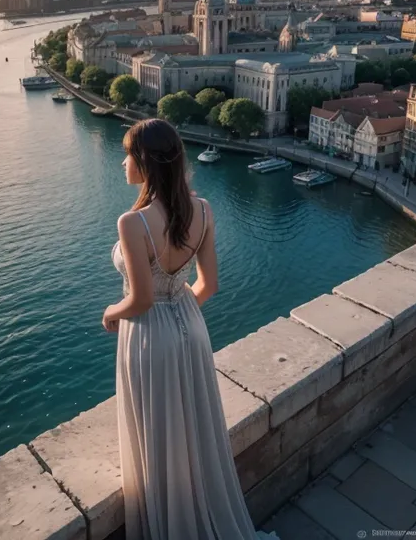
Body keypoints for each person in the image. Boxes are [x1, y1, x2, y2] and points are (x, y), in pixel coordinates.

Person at [102, 119, 278, 540]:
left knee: (159, 433)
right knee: (192, 426)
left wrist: (111, 312)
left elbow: (141, 300)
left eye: (129, 153)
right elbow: (208, 285)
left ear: (145, 161)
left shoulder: (133, 223)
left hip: (147, 336)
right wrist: (178, 315)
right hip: (191, 328)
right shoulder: (203, 210)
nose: (124, 161)